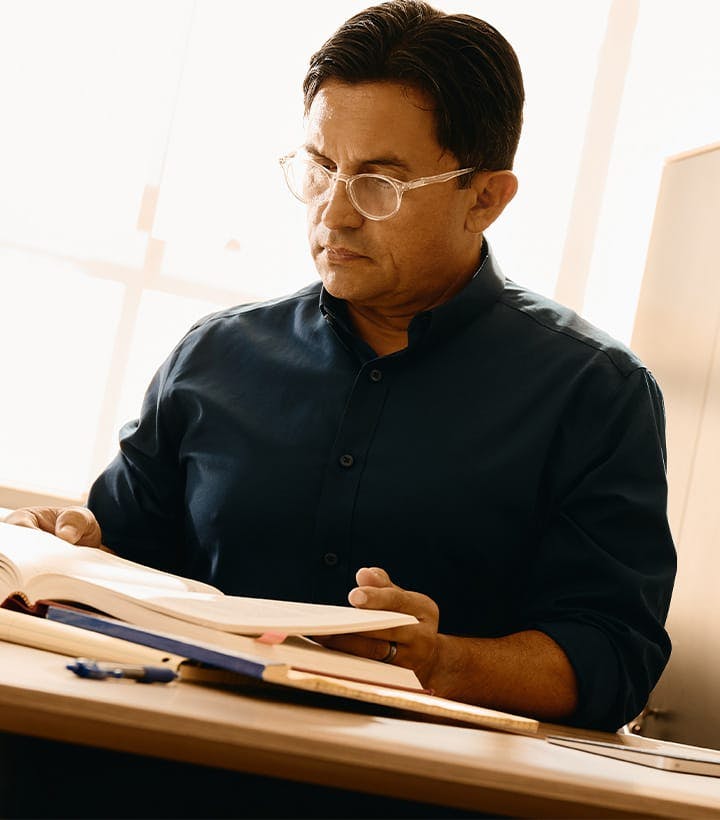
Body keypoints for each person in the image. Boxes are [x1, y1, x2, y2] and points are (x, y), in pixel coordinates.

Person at [7, 0, 675, 731]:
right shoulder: (214, 358)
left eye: (379, 183)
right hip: (184, 752)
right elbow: (122, 554)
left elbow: (614, 655)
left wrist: (444, 660)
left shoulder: (594, 393)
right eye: (321, 169)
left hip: (426, 786)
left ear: (485, 198)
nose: (334, 214)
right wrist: (69, 546)